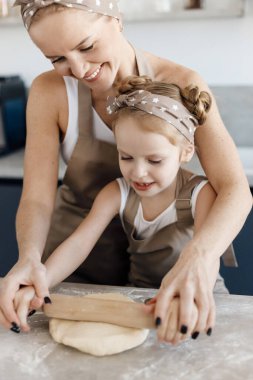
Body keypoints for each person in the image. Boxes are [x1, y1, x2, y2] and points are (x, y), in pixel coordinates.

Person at [0, 0, 251, 340]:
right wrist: (29, 257)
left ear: (116, 18)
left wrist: (200, 257)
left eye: (86, 46)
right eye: (57, 59)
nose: (78, 68)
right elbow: (36, 198)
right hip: (74, 270)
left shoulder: (182, 83)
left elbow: (234, 188)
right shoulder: (50, 92)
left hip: (162, 271)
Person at [11, 75, 218, 344]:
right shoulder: (117, 192)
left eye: (154, 160)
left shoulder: (200, 194)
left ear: (186, 151)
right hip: (141, 300)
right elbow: (78, 244)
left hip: (197, 299)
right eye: (126, 157)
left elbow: (208, 259)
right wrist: (39, 282)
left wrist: (189, 299)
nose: (139, 172)